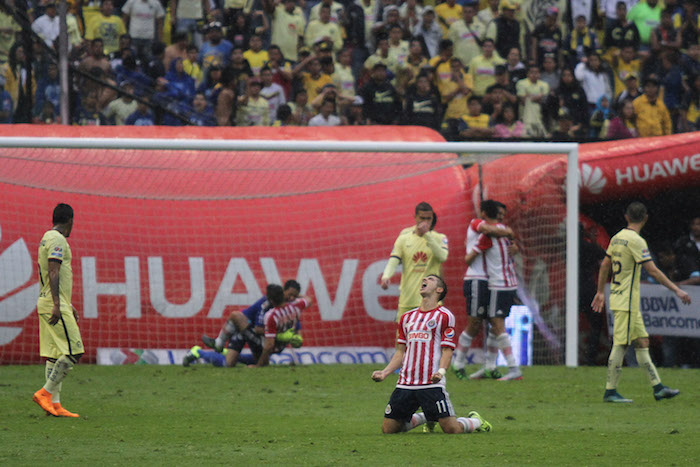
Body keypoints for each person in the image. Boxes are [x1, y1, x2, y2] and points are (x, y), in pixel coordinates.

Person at [591, 202, 691, 403]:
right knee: (620, 345)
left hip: (624, 299)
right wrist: (677, 290)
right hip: (626, 300)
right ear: (645, 218)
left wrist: (601, 291)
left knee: (643, 342)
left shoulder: (618, 237)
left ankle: (658, 388)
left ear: (626, 217)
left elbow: (605, 265)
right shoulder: (637, 241)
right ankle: (610, 391)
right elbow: (653, 270)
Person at [371, 274, 492, 435]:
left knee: (451, 429)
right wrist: (385, 372)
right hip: (405, 383)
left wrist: (440, 372)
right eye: (424, 279)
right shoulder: (407, 317)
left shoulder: (444, 316)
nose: (425, 280)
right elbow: (401, 351)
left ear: (439, 290)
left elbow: (447, 350)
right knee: (389, 430)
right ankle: (426, 416)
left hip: (431, 383)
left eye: (430, 279)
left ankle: (476, 421)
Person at [455, 200, 522, 381]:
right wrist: (509, 234)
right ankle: (489, 367)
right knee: (492, 325)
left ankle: (513, 368)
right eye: (500, 213)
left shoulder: (492, 233)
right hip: (497, 283)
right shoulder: (490, 229)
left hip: (500, 283)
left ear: (484, 213)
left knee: (496, 324)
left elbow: (469, 258)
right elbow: (508, 242)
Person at [33, 203, 84, 418]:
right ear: (70, 220)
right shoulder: (57, 239)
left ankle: (54, 404)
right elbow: (53, 272)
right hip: (53, 304)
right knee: (74, 352)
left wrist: (66, 303)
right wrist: (57, 304)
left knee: (54, 355)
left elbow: (51, 275)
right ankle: (45, 393)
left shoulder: (47, 237)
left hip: (50, 301)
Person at [186, 281, 302, 367]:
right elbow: (258, 329)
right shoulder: (267, 305)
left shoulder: (291, 308)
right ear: (283, 291)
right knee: (236, 316)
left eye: (295, 296)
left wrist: (297, 338)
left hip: (260, 339)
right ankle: (203, 350)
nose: (292, 298)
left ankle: (215, 347)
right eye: (290, 294)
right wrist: (280, 335)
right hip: (251, 333)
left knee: (230, 363)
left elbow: (296, 327)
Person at [381, 202, 448, 320]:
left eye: (429, 218)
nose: (425, 222)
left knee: (430, 337)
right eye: (422, 218)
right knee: (404, 337)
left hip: (431, 300)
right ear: (415, 217)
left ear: (433, 218)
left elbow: (442, 257)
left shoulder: (439, 238)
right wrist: (386, 276)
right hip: (408, 300)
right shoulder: (404, 237)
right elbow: (394, 260)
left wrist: (427, 235)